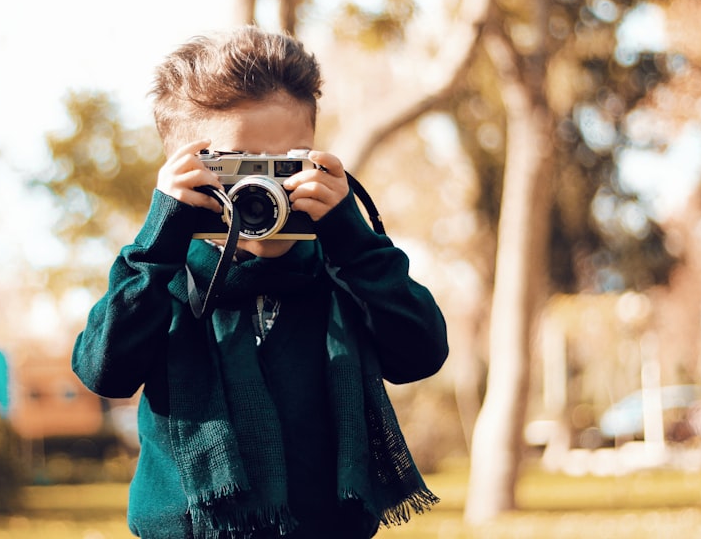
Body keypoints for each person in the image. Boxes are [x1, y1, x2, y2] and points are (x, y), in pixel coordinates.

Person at [72, 26, 449, 539]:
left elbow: (421, 354)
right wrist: (161, 236)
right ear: (183, 173)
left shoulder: (345, 271)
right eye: (238, 166)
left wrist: (353, 239)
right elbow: (103, 372)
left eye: (286, 163)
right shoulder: (161, 278)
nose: (264, 186)